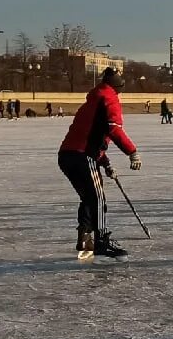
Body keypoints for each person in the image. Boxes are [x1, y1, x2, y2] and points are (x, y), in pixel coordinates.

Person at [58, 67, 142, 259]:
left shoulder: (93, 100)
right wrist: (132, 152)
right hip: (82, 156)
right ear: (118, 86)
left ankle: (85, 238)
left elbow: (90, 136)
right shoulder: (109, 98)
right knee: (98, 198)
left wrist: (105, 163)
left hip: (67, 156)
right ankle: (102, 241)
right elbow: (114, 130)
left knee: (89, 197)